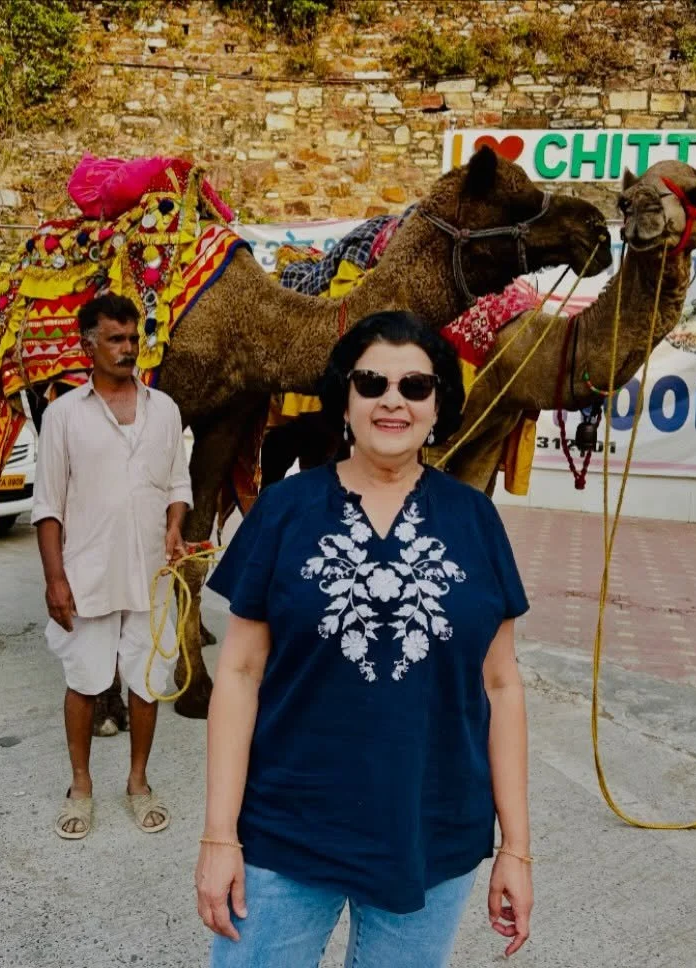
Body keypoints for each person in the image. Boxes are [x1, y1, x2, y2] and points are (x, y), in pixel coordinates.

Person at [196, 310, 533, 966]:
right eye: (372, 382)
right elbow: (238, 673)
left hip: (431, 834)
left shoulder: (474, 519)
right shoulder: (283, 511)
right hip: (285, 830)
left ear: (439, 404)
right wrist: (218, 834)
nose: (392, 401)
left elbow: (501, 685)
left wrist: (516, 849)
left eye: (415, 386)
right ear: (344, 397)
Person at [31, 293, 192, 840]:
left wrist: (175, 525)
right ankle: (80, 788)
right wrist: (55, 579)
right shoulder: (63, 415)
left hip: (152, 573)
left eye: (133, 338)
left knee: (146, 681)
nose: (128, 349)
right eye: (115, 339)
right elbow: (48, 507)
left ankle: (138, 783)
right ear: (89, 346)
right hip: (88, 573)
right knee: (84, 679)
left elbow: (178, 484)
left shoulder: (165, 410)